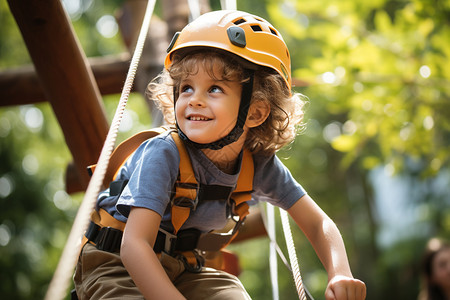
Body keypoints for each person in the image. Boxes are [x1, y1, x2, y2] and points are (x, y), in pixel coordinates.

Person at [74, 10, 366, 300]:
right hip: (115, 264)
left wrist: (339, 271)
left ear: (255, 111)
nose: (194, 100)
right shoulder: (163, 153)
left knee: (232, 295)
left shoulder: (258, 165)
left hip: (182, 267)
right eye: (186, 87)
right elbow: (134, 246)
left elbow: (318, 223)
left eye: (214, 88)